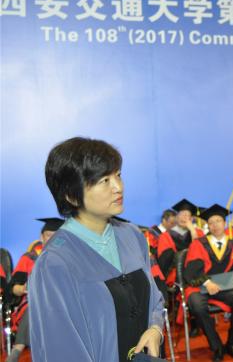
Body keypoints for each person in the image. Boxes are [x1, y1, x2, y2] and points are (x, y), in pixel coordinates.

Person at [29, 137, 165, 361]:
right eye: (104, 180)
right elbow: (60, 349)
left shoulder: (132, 235)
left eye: (118, 175)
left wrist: (155, 328)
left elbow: (155, 300)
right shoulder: (55, 262)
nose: (118, 187)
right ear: (72, 196)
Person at [184, 204, 233, 360]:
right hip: (200, 286)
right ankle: (216, 346)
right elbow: (191, 271)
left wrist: (227, 282)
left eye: (218, 221)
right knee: (197, 306)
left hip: (224, 286)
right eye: (211, 222)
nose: (215, 225)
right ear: (208, 226)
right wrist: (207, 283)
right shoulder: (199, 244)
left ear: (225, 223)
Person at [6, 218, 64, 362]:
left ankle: (17, 349)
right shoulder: (29, 259)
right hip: (31, 304)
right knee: (38, 306)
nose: (52, 239)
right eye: (49, 235)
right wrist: (22, 288)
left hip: (62, 306)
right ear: (41, 237)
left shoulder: (69, 258)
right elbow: (12, 288)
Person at [157, 199, 204, 286]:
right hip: (176, 277)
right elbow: (164, 262)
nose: (184, 218)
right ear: (176, 217)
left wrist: (192, 231)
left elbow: (201, 253)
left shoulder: (198, 233)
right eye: (181, 214)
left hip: (197, 273)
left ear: (192, 219)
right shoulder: (165, 236)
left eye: (187, 215)